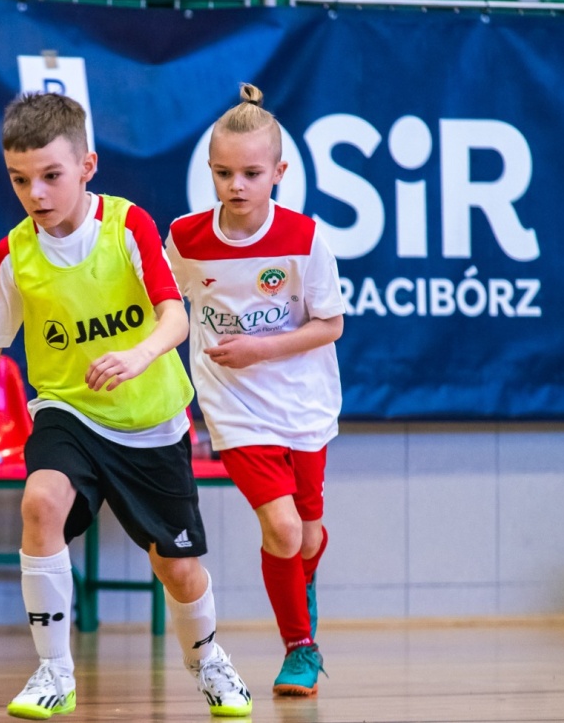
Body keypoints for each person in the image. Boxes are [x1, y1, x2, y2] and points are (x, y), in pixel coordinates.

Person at [0, 92, 253, 719]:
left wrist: (139, 355)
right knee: (41, 500)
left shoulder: (128, 226)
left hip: (151, 424)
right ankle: (54, 671)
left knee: (177, 570)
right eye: (20, 179)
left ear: (87, 166)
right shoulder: (15, 255)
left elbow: (175, 317)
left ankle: (208, 661)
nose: (36, 193)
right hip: (67, 413)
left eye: (51, 176)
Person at [164, 83, 344, 697]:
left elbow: (332, 324)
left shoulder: (305, 238)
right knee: (284, 530)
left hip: (304, 404)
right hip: (234, 407)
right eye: (222, 173)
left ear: (279, 173)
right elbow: (170, 308)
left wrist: (260, 348)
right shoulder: (186, 239)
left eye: (250, 172)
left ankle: (302, 585)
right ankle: (301, 647)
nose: (236, 185)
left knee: (308, 535)